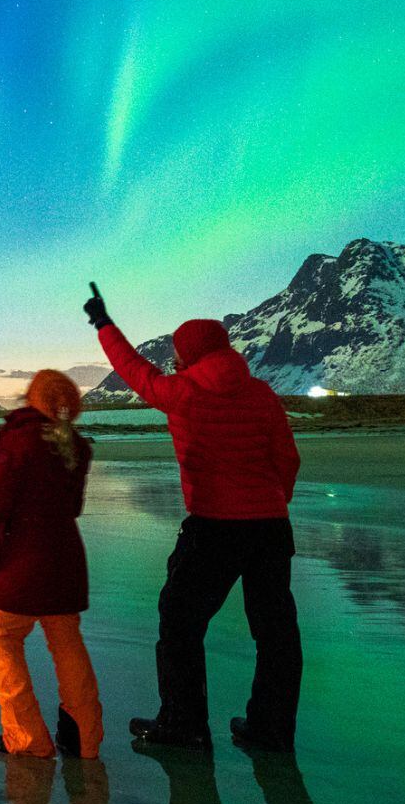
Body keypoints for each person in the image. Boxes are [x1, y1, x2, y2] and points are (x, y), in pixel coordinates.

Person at [84, 283, 302, 753]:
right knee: (275, 632)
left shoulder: (181, 392)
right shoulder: (262, 394)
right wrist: (271, 502)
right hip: (270, 528)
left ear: (186, 355)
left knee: (180, 622)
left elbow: (132, 370)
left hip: (214, 527)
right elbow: (288, 459)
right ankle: (271, 729)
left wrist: (103, 323)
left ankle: (184, 725)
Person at [0, 370, 104, 759]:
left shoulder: (20, 439)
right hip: (66, 561)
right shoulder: (77, 446)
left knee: (1, 637)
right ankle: (84, 739)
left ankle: (27, 740)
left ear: (33, 399)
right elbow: (73, 507)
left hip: (22, 561)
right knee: (66, 643)